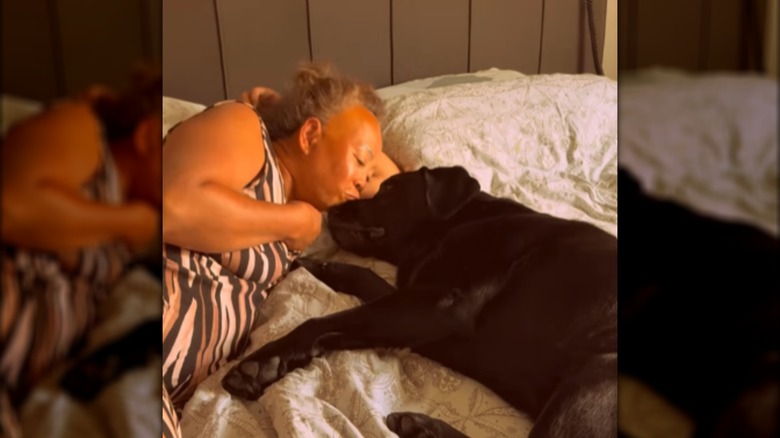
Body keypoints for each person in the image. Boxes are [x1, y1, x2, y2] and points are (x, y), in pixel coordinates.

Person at [160, 62, 387, 437]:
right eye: (361, 160)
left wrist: (285, 104)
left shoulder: (292, 213)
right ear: (311, 134)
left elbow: (394, 182)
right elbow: (172, 206)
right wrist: (292, 221)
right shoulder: (245, 128)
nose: (364, 181)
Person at [1, 70, 162, 437]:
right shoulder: (82, 128)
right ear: (148, 135)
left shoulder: (132, 250)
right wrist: (130, 221)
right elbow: (12, 208)